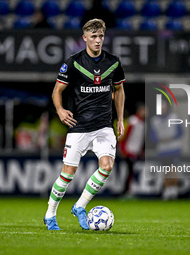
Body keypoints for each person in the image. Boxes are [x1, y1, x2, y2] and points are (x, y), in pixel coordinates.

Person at [44, 19, 125, 230]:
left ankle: (80, 206)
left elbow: (119, 91)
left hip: (103, 126)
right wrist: (60, 110)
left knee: (106, 166)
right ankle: (50, 214)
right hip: (79, 127)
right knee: (67, 174)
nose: (98, 41)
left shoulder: (113, 63)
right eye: (94, 37)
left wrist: (121, 119)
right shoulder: (73, 63)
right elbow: (57, 91)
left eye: (101, 37)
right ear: (85, 38)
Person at [119, 102, 146, 195]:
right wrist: (123, 149)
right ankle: (125, 191)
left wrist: (141, 150)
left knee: (131, 171)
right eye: (143, 110)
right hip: (128, 151)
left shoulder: (142, 123)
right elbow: (124, 136)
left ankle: (129, 190)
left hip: (135, 151)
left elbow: (140, 139)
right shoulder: (133, 121)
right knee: (128, 171)